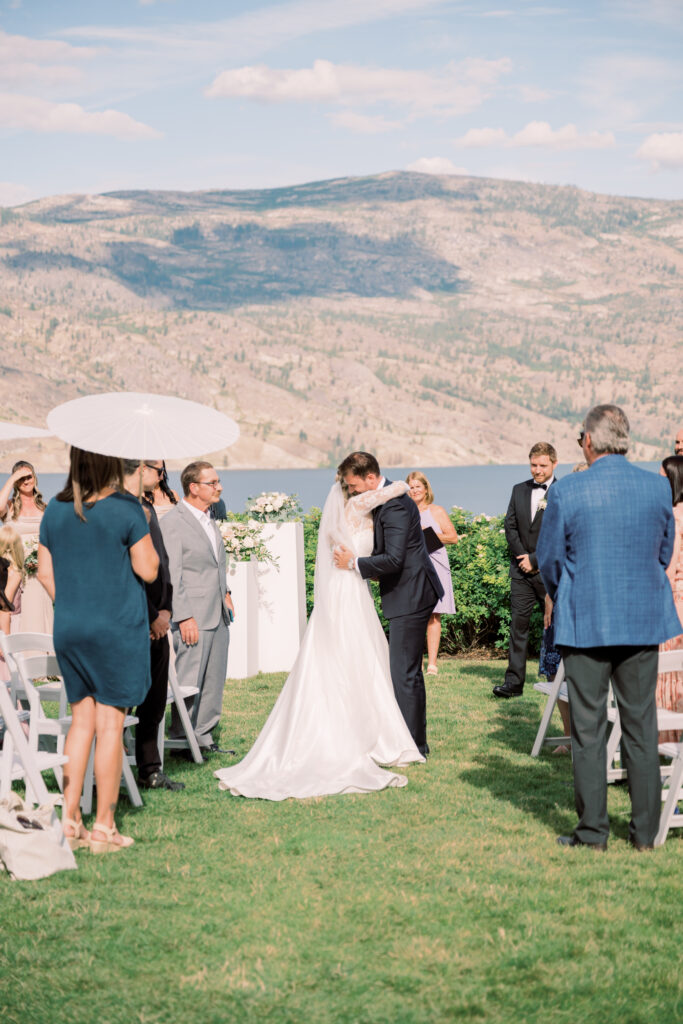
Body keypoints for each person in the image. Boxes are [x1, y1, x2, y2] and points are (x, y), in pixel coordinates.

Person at [214, 475, 424, 799]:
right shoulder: (355, 506)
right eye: (353, 486)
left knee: (360, 656)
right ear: (350, 488)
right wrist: (399, 486)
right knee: (356, 656)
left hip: (353, 587)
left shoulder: (344, 517)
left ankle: (374, 727)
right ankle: (368, 733)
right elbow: (382, 494)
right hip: (348, 590)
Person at [537, 404, 680, 850]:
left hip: (585, 622)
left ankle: (593, 833)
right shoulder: (657, 488)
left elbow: (549, 560)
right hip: (640, 620)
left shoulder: (568, 490)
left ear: (589, 441)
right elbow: (663, 552)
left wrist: (567, 594)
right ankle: (644, 835)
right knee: (641, 726)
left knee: (588, 729)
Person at [37, 447, 159, 852]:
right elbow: (148, 569)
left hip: (70, 627)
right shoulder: (126, 508)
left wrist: (75, 606)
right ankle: (105, 826)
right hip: (115, 628)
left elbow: (44, 572)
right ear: (109, 462)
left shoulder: (54, 510)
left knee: (81, 723)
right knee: (109, 726)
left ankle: (71, 821)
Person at [333, 452, 443, 756]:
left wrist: (354, 562)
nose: (352, 491)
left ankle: (413, 746)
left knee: (404, 672)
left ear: (370, 478)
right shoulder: (388, 496)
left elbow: (394, 558)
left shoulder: (393, 505)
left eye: (354, 485)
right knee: (406, 671)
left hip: (412, 593)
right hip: (408, 590)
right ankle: (412, 741)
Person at [160, 461, 233, 757]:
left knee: (214, 678)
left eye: (218, 481)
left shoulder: (209, 517)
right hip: (193, 615)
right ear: (193, 487)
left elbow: (214, 563)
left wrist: (226, 592)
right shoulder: (173, 522)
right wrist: (184, 616)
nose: (219, 487)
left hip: (218, 611)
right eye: (212, 483)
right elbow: (172, 573)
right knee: (190, 679)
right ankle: (181, 739)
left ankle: (204, 736)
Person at [123, 459, 184, 791]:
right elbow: (127, 571)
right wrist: (150, 616)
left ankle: (149, 769)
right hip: (134, 619)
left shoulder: (147, 507)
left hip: (158, 619)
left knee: (154, 699)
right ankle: (113, 765)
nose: (161, 475)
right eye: (156, 469)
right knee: (123, 697)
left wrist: (166, 610)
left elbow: (163, 565)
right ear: (138, 468)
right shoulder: (120, 510)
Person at [493, 442, 558, 699]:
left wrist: (535, 559)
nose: (537, 470)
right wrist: (523, 558)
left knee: (557, 626)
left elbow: (560, 533)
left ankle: (560, 679)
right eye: (533, 465)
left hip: (548, 572)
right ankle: (513, 683)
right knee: (518, 627)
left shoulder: (562, 492)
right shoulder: (518, 489)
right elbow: (510, 526)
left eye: (543, 465)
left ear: (554, 463)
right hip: (520, 572)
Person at [406, 471, 457, 675]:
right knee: (414, 615)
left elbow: (452, 537)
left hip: (436, 565)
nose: (414, 490)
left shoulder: (437, 511)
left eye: (418, 486)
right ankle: (416, 662)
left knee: (434, 615)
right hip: (413, 566)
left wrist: (425, 533)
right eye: (411, 487)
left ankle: (432, 664)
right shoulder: (405, 512)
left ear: (426, 489)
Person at [0, 460, 53, 634]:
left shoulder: (45, 508)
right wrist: (13, 477)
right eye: (21, 478)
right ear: (15, 482)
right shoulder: (9, 507)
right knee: (16, 614)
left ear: (35, 478)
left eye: (29, 476)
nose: (26, 481)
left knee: (41, 615)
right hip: (15, 571)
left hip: (40, 570)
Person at [655, 455, 683, 742]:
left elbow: (669, 570)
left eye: (662, 478)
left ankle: (667, 742)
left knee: (668, 673)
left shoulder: (674, 517)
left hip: (674, 603)